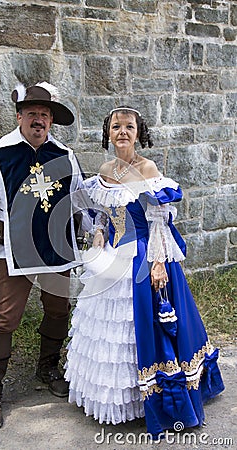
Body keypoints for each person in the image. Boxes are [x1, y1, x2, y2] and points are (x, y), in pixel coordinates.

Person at [64, 106, 225, 440]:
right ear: (108, 132)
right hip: (112, 257)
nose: (123, 132)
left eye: (130, 127)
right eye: (116, 126)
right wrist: (98, 231)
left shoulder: (147, 169)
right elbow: (105, 211)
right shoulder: (106, 169)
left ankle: (155, 402)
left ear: (140, 133)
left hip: (143, 256)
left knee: (148, 327)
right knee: (111, 331)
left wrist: (157, 263)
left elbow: (159, 221)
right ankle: (118, 399)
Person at [0, 82, 85, 430]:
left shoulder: (63, 155)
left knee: (58, 308)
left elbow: (81, 199)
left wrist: (97, 231)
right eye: (33, 114)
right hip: (12, 249)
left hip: (55, 248)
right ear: (19, 116)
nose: (39, 120)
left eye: (45, 115)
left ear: (51, 121)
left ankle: (48, 366)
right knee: (4, 318)